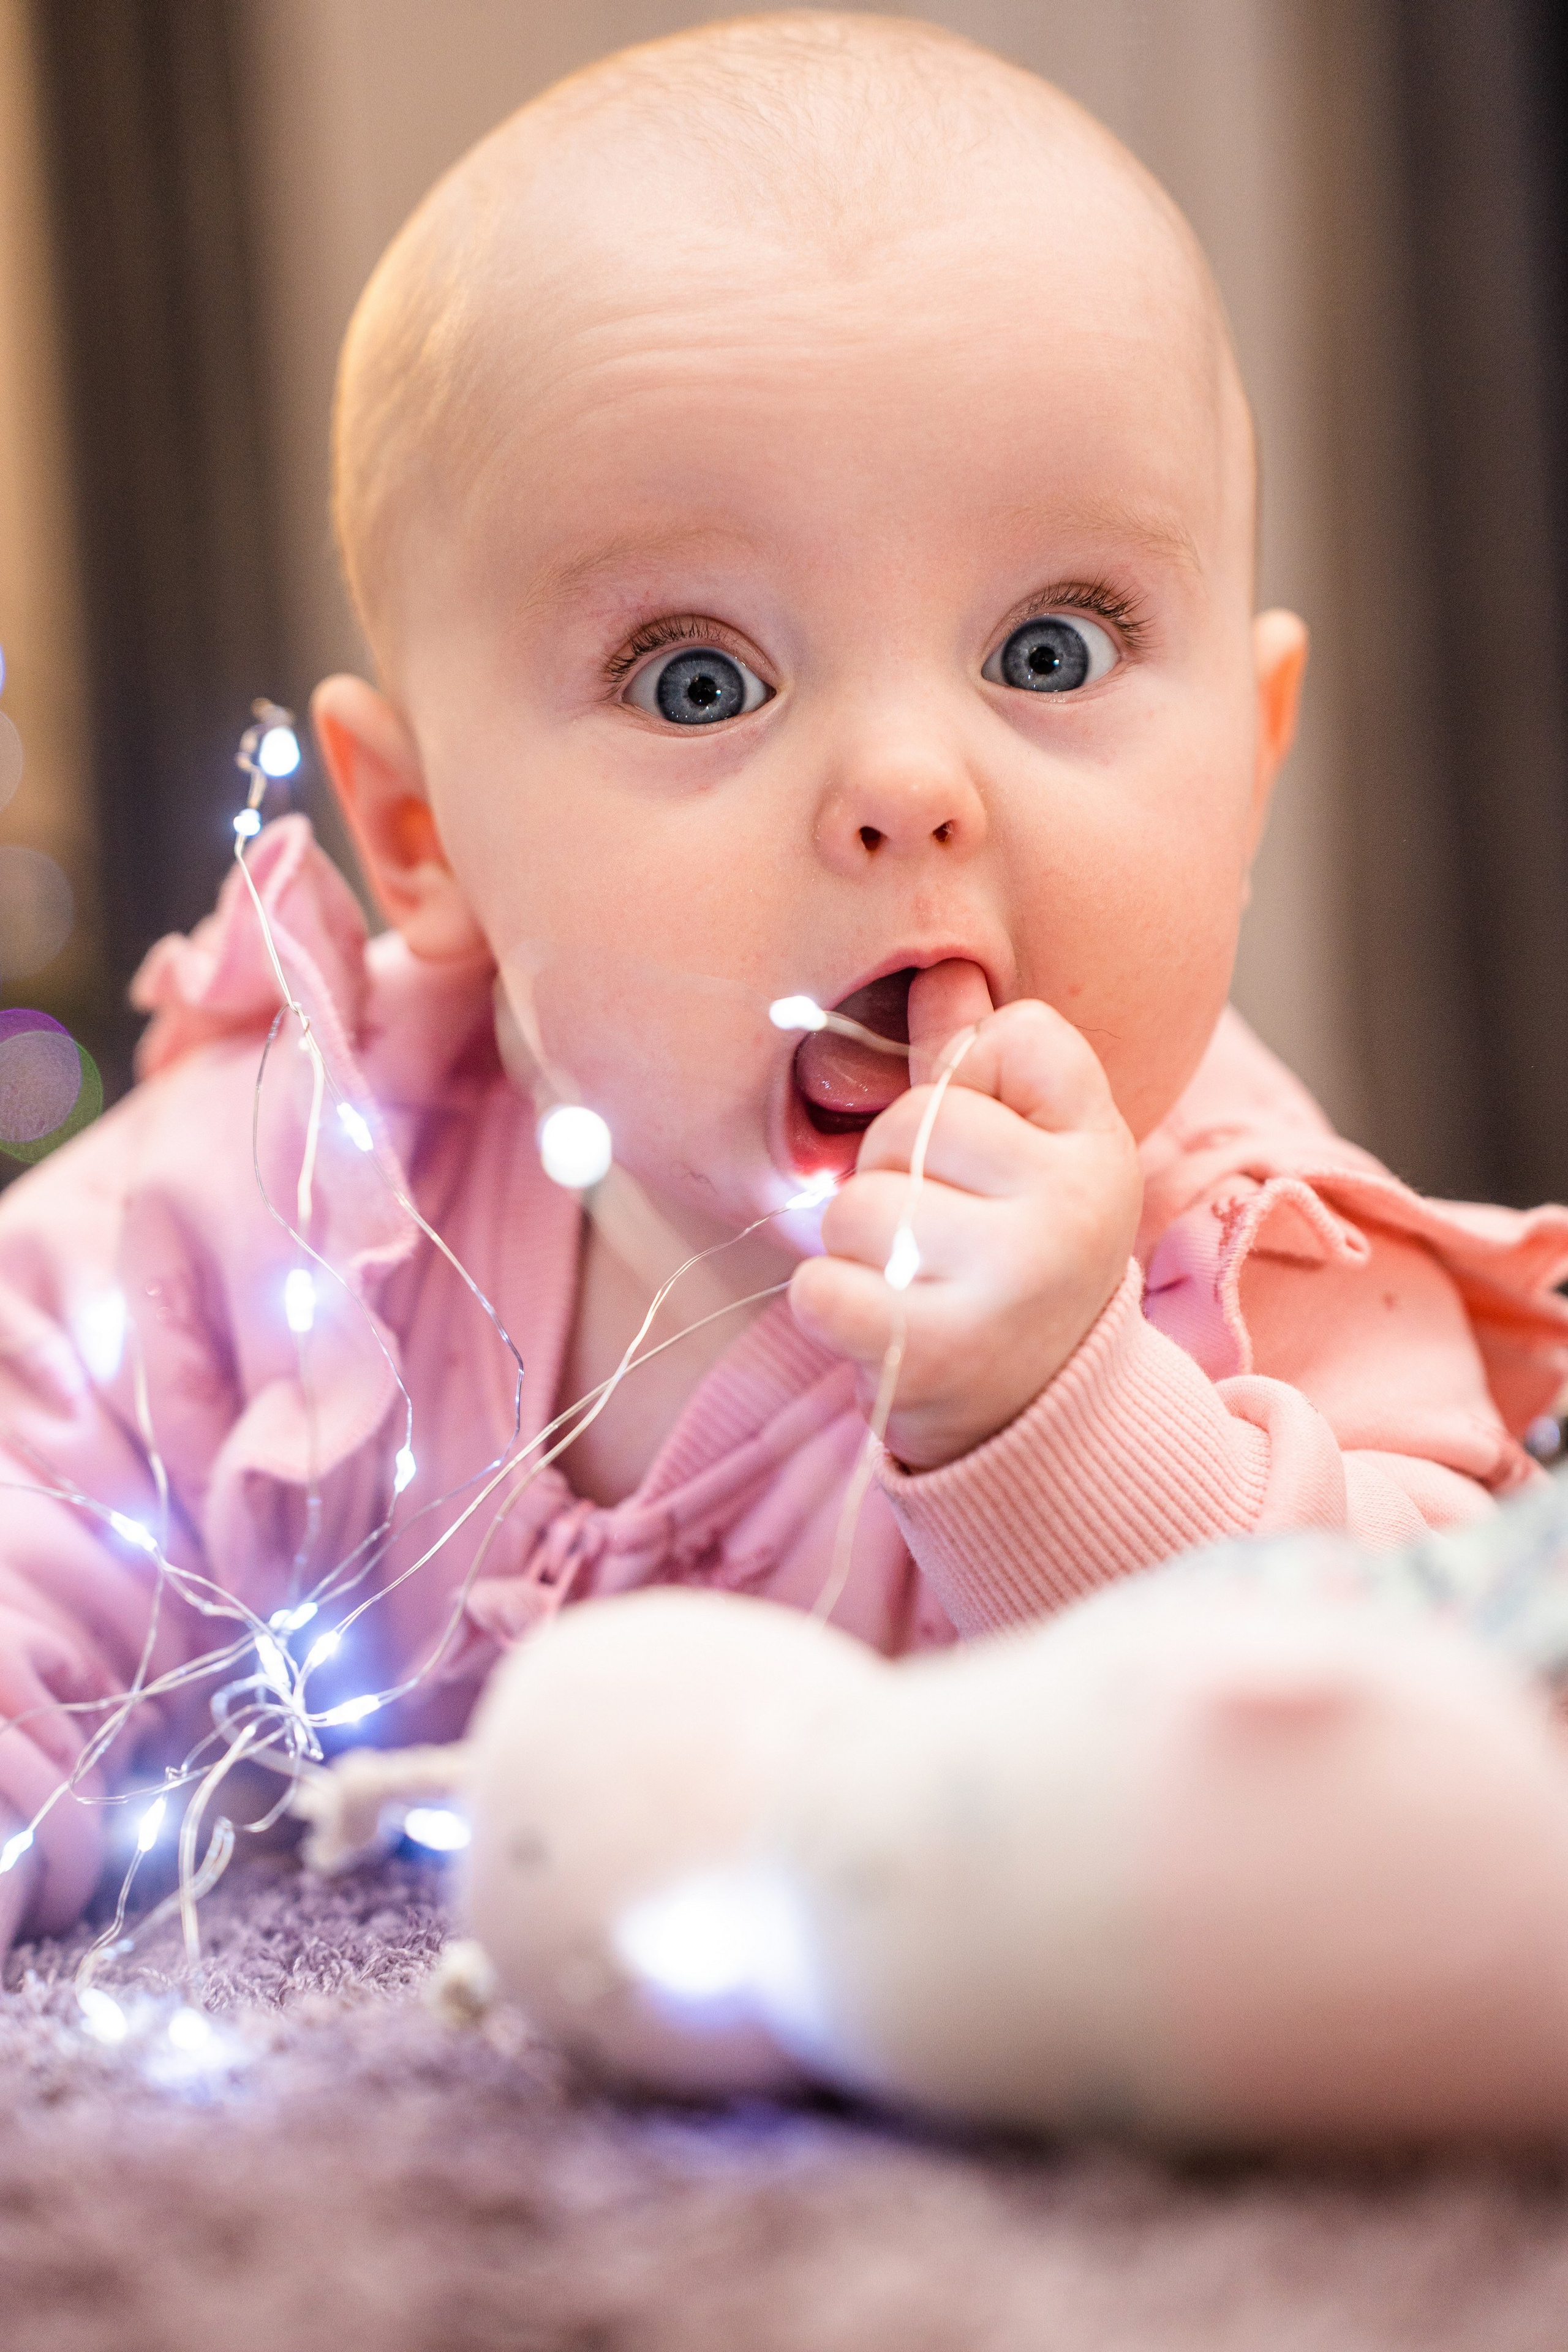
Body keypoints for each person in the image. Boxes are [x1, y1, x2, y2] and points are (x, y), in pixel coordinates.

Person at [2, 11, 1566, 1948]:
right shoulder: (321, 1178)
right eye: (699, 679)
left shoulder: (1261, 1258)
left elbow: (1462, 1764)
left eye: (1053, 650)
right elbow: (35, 1528)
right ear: (420, 840)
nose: (909, 788)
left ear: (1250, 758)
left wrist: (1065, 1423)